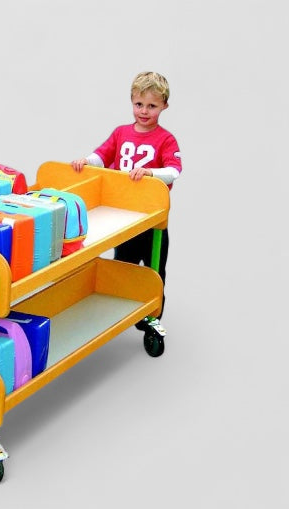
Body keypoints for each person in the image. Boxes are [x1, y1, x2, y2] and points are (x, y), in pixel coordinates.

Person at [72, 71, 182, 321]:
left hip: (151, 218)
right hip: (123, 216)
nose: (144, 111)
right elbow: (102, 155)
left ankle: (153, 318)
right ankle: (123, 313)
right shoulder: (121, 132)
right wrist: (86, 161)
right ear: (131, 101)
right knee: (123, 267)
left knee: (155, 271)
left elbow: (174, 171)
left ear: (164, 106)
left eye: (152, 106)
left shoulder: (166, 139)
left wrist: (150, 173)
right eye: (139, 104)